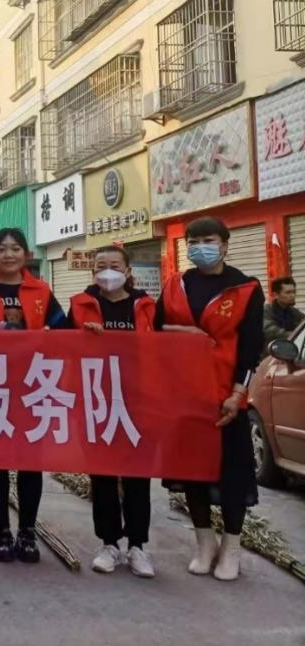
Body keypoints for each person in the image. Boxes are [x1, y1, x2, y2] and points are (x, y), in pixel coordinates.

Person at [156, 217, 263, 582]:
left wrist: (237, 394)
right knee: (193, 474)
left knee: (233, 476)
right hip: (185, 397)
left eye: (208, 240)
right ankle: (204, 543)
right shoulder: (175, 285)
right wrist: (182, 331)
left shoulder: (246, 288)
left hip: (226, 399)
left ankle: (231, 547)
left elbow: (251, 348)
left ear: (224, 244)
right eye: (194, 241)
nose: (200, 247)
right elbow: (155, 332)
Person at [0, 227, 67, 564]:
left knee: (30, 462)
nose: (8, 254)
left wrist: (49, 334)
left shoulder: (41, 290)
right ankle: (2, 532)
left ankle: (27, 531)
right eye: (1, 249)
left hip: (32, 385)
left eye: (15, 248)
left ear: (26, 254)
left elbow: (64, 329)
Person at [68, 244, 156, 579]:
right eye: (101, 265)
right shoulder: (80, 305)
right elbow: (62, 346)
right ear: (92, 272)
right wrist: (83, 338)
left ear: (128, 271)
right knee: (102, 474)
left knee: (137, 476)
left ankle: (137, 546)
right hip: (97, 400)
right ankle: (108, 543)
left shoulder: (145, 306)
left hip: (138, 400)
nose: (107, 271)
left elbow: (162, 347)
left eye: (115, 265)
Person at [263, 277, 303, 344]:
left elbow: (303, 322)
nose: (292, 295)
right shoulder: (267, 311)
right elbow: (271, 331)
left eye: (294, 292)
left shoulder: (294, 312)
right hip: (271, 348)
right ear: (276, 295)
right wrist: (295, 335)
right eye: (288, 292)